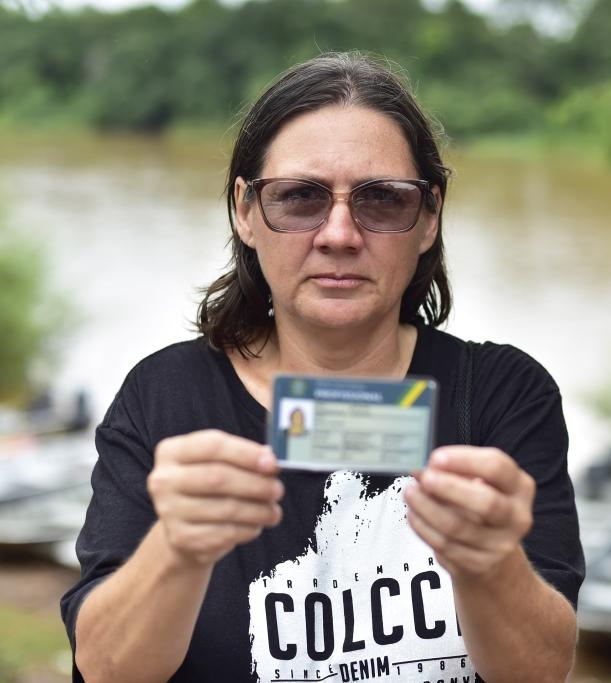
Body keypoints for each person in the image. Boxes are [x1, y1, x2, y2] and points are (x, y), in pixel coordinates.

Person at [60, 52, 583, 683]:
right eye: (300, 197)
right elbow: (104, 668)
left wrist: (492, 564)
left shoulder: (503, 394)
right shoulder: (166, 397)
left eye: (382, 200)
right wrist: (176, 550)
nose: (339, 234)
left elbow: (543, 671)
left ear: (429, 218)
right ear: (245, 212)